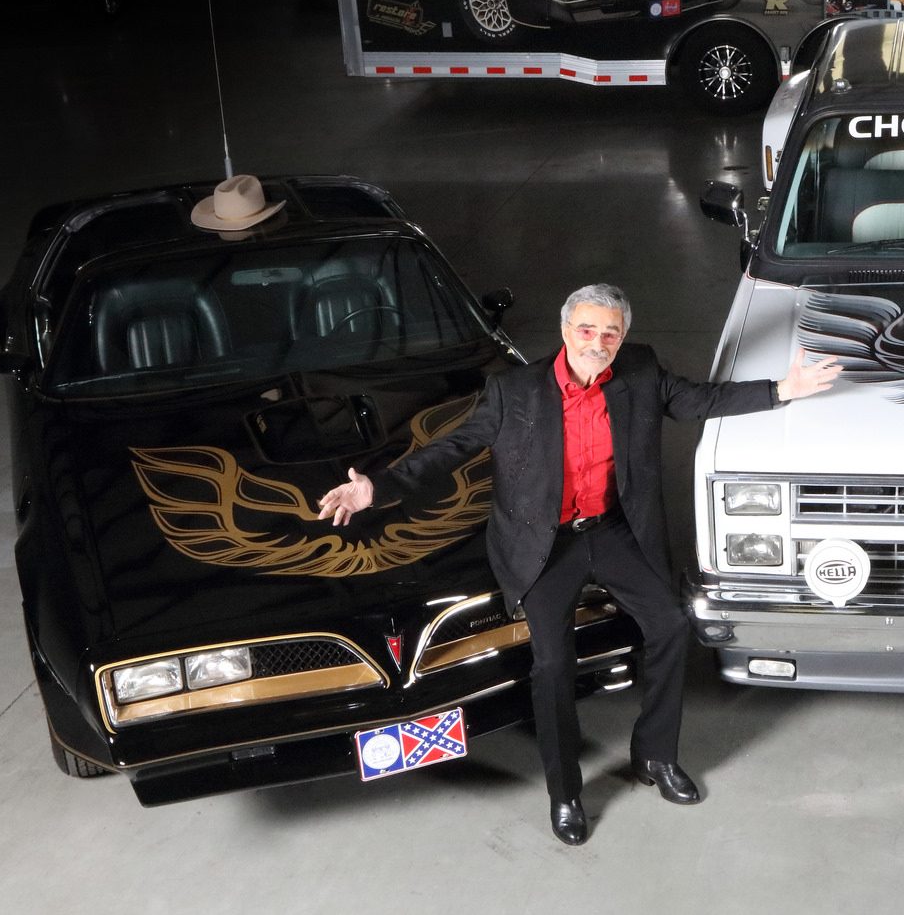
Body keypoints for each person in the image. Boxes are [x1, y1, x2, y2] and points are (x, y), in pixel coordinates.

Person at [316, 284, 842, 846]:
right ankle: (565, 791)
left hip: (613, 530)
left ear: (623, 338)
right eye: (587, 330)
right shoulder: (515, 390)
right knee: (554, 665)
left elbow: (697, 401)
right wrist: (378, 486)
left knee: (669, 624)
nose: (599, 342)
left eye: (610, 332)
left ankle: (656, 757)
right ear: (566, 332)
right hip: (544, 542)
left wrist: (785, 389)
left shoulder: (640, 372)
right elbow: (452, 447)